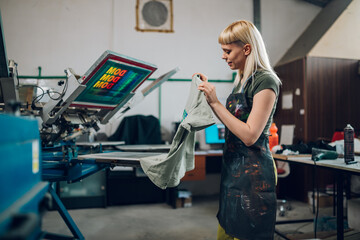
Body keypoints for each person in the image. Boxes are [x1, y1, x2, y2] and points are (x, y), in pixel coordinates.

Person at [195, 20, 281, 240]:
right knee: (227, 229)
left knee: (248, 233)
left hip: (254, 172)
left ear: (246, 49)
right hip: (233, 168)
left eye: (227, 51)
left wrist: (215, 103)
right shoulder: (241, 80)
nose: (223, 56)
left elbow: (250, 135)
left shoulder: (266, 81)